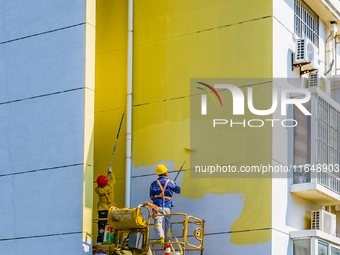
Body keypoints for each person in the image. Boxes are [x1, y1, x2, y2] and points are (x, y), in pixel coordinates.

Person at [149, 164, 181, 244]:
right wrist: (175, 185)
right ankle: (168, 242)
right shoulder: (170, 182)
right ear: (165, 173)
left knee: (158, 222)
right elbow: (178, 191)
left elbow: (151, 196)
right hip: (167, 208)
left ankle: (160, 236)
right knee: (168, 225)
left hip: (157, 207)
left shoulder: (153, 184)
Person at [95, 170, 115, 245]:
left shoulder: (98, 190)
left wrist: (102, 183)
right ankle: (112, 240)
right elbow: (113, 180)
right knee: (111, 225)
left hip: (102, 210)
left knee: (101, 226)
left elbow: (97, 187)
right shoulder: (111, 187)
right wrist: (111, 173)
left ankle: (100, 240)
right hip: (111, 209)